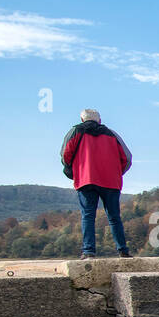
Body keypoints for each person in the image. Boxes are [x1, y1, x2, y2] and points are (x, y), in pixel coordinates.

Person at [60, 108, 134, 259]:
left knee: (87, 216)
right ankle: (123, 251)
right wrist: (116, 173)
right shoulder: (112, 134)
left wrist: (75, 170)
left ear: (82, 120)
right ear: (99, 120)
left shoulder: (76, 132)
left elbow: (65, 155)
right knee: (114, 217)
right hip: (111, 181)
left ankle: (88, 252)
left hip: (86, 179)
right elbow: (127, 158)